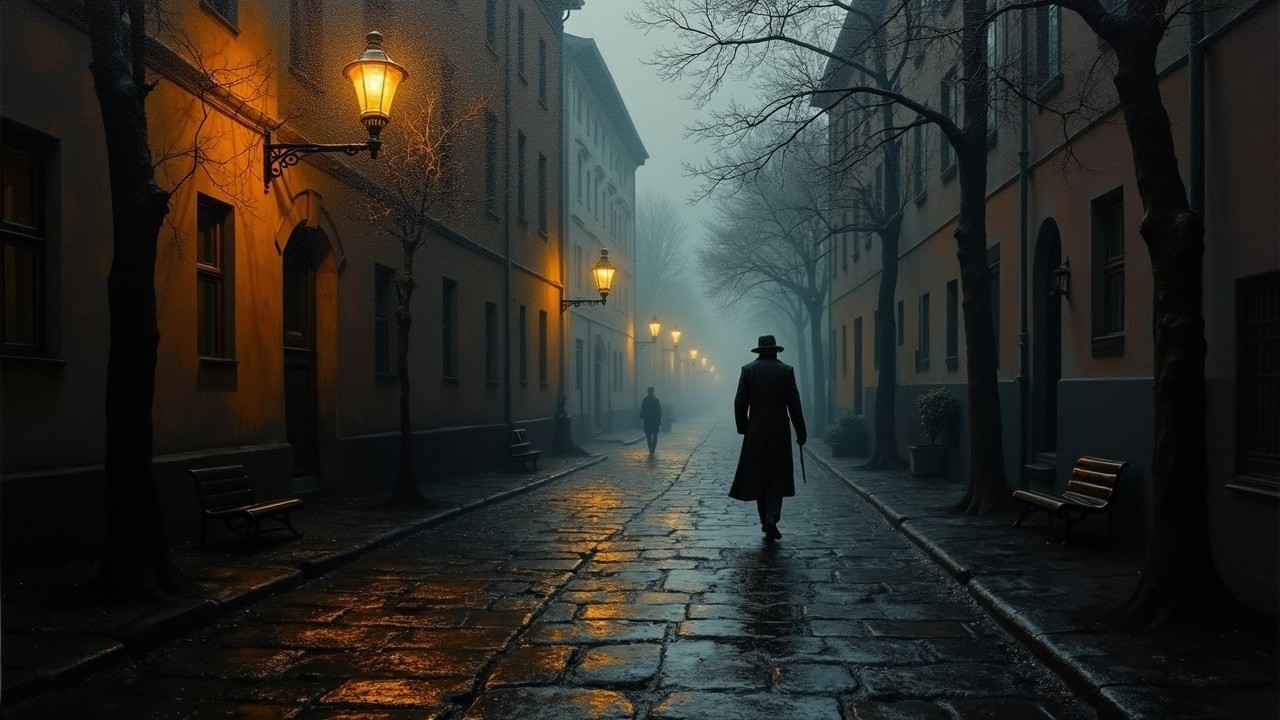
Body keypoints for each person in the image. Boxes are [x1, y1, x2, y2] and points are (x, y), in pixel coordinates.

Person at [729, 335, 806, 541]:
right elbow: (794, 404)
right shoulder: (786, 371)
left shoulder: (748, 371)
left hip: (755, 431)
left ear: (759, 350)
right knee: (777, 476)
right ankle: (773, 516)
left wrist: (744, 428)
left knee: (758, 476)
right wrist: (801, 432)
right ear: (775, 350)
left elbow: (740, 403)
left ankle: (764, 519)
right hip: (780, 431)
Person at [640, 386, 663, 457]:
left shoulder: (647, 400)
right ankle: (651, 449)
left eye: (651, 391)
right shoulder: (654, 400)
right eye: (651, 391)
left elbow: (642, 411)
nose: (651, 393)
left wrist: (643, 417)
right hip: (651, 421)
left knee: (652, 436)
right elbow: (659, 411)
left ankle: (652, 449)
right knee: (650, 436)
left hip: (651, 421)